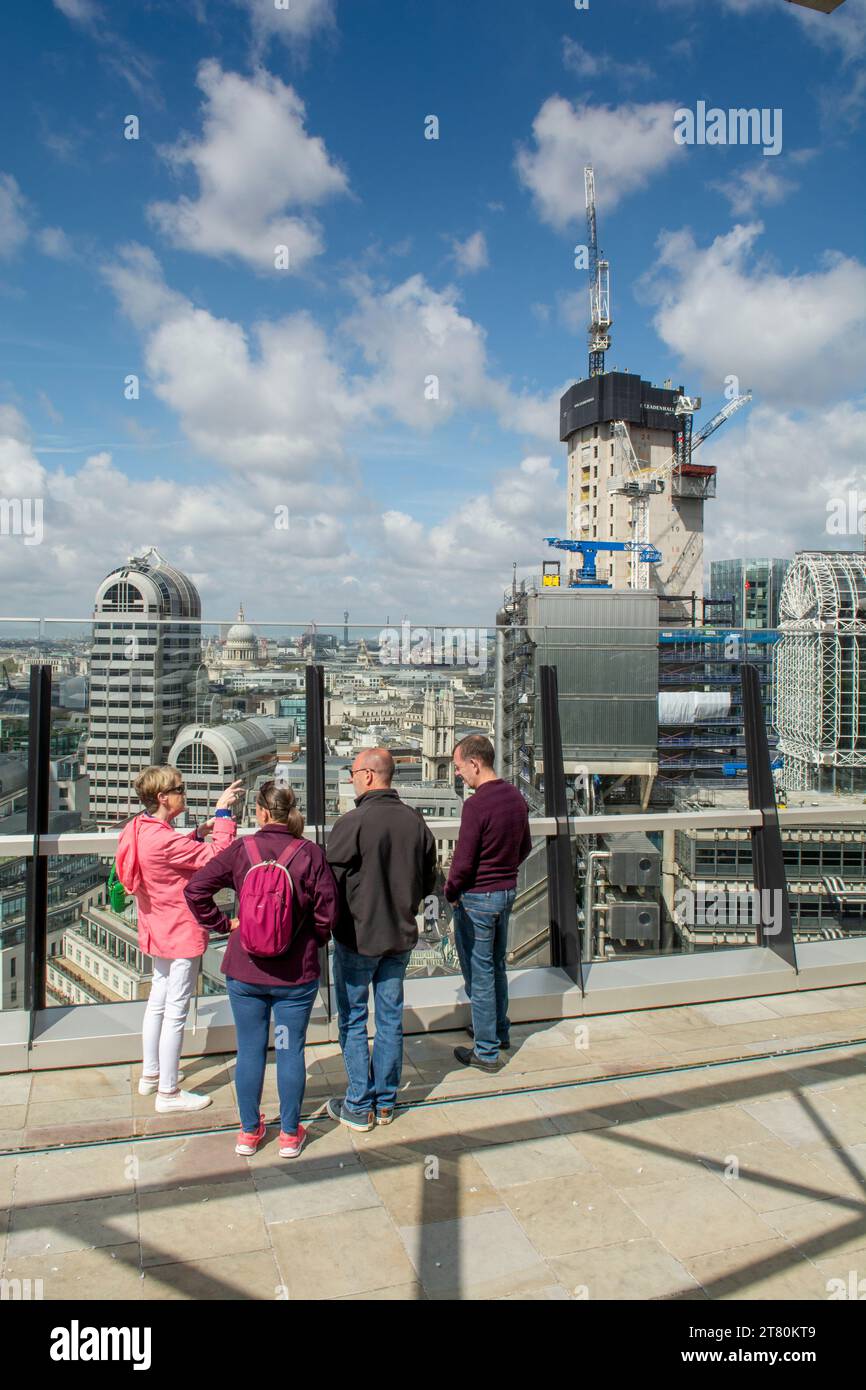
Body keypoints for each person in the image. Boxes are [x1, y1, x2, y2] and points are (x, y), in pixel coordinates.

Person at [184, 782, 337, 1158]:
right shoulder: (310, 853)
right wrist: (307, 940)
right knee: (288, 1049)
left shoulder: (243, 850)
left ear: (262, 813)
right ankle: (288, 1134)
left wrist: (224, 925)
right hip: (293, 977)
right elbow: (327, 914)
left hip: (246, 970)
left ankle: (249, 1133)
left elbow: (196, 890)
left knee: (250, 1050)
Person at [115, 766, 243, 1112]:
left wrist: (197, 832)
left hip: (155, 924)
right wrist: (222, 815)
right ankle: (168, 1093)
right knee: (177, 1009)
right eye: (180, 789)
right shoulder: (163, 839)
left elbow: (169, 852)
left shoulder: (139, 828)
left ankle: (151, 1075)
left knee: (158, 997)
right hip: (180, 927)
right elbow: (217, 858)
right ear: (163, 797)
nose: (183, 794)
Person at [325, 748, 437, 1130]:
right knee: (389, 1018)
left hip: (357, 938)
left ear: (369, 776)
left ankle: (359, 1103)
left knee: (354, 1018)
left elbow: (329, 883)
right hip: (401, 937)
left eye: (354, 772)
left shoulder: (353, 822)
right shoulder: (415, 822)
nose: (352, 778)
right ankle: (386, 1102)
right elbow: (428, 879)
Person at [445, 734, 531, 1072]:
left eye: (459, 767)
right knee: (496, 965)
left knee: (479, 974)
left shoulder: (476, 805)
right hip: (506, 892)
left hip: (478, 898)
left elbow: (463, 862)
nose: (458, 774)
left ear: (475, 763)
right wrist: (504, 870)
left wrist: (451, 892)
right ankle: (497, 1030)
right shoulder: (515, 797)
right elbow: (524, 846)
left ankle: (486, 1051)